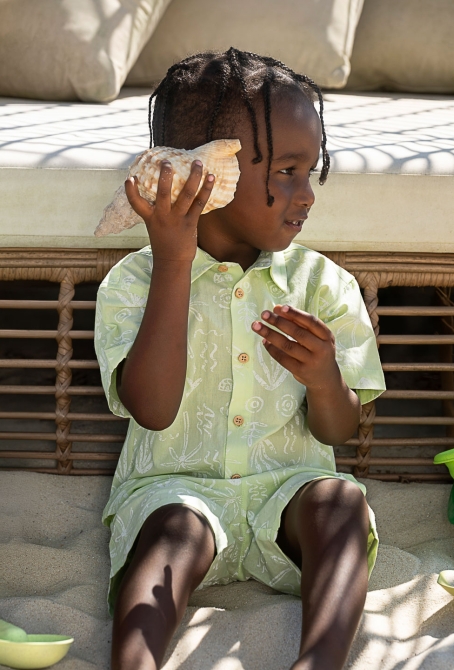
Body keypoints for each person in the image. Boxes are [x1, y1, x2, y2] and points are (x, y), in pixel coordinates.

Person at [94, 47, 386, 670]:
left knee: (341, 503)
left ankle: (320, 661)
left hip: (290, 493)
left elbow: (340, 431)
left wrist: (324, 380)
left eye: (311, 171)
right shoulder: (132, 283)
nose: (307, 195)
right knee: (174, 529)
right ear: (211, 174)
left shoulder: (322, 285)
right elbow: (152, 410)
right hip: (176, 492)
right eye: (286, 171)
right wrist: (174, 261)